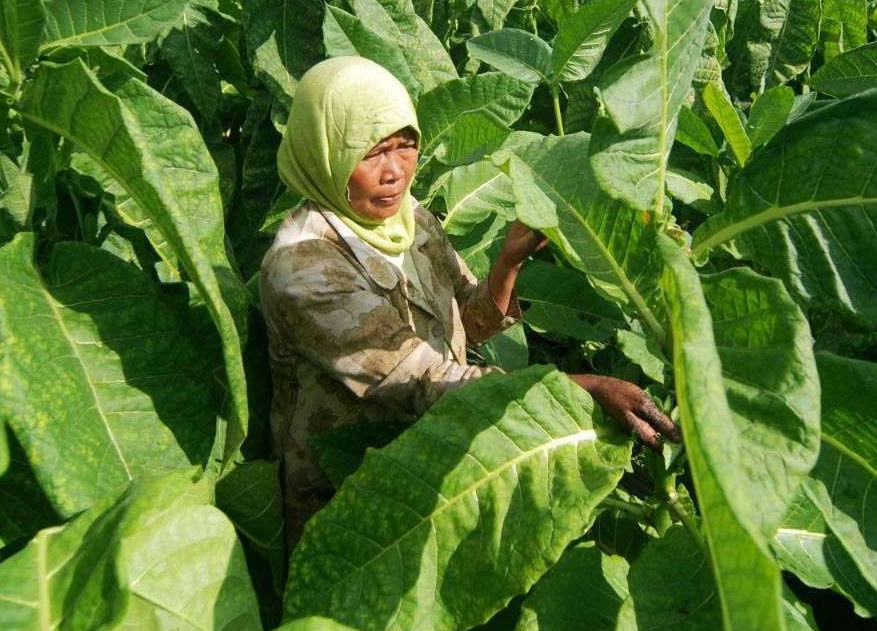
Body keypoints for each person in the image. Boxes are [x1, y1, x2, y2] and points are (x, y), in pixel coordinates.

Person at [259, 57, 679, 549]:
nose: (395, 171)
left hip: (441, 452)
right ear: (325, 151)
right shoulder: (303, 269)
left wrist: (509, 263)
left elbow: (466, 324)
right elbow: (423, 379)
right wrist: (582, 388)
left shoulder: (408, 218)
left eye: (406, 146)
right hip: (347, 488)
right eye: (372, 153)